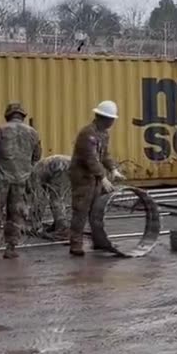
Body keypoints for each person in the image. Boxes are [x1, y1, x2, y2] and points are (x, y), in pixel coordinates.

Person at [0, 102, 42, 259]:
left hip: (1, 179)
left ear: (8, 115)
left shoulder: (0, 131)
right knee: (16, 214)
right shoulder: (33, 133)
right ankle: (11, 248)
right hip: (21, 180)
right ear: (22, 116)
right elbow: (36, 157)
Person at [68, 100, 122, 256]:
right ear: (102, 117)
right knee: (81, 210)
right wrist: (103, 177)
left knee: (96, 211)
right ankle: (76, 244)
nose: (112, 122)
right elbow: (90, 158)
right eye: (110, 119)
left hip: (95, 177)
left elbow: (104, 155)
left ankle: (98, 241)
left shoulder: (103, 134)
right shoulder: (88, 133)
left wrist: (113, 169)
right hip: (83, 179)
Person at [30, 154, 72, 238]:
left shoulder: (33, 176)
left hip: (60, 167)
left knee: (56, 198)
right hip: (66, 165)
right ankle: (58, 222)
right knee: (56, 197)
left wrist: (36, 222)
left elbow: (39, 199)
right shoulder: (37, 170)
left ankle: (62, 227)